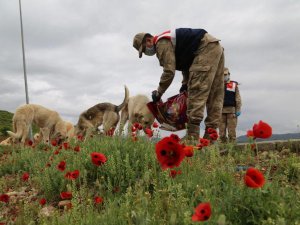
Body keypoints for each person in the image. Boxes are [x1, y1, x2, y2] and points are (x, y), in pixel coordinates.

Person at [133, 28, 224, 141]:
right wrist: (185, 83)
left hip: (204, 48)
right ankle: (211, 136)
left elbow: (169, 71)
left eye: (144, 49)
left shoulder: (161, 43)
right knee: (215, 92)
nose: (146, 53)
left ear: (148, 41)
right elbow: (188, 62)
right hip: (214, 46)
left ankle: (192, 137)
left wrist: (159, 92)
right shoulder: (168, 40)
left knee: (197, 90)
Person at [219, 67, 242, 143]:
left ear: (228, 74)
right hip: (220, 111)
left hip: (231, 111)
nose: (224, 76)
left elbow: (238, 98)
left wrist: (238, 109)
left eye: (225, 74)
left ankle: (232, 148)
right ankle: (222, 149)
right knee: (221, 133)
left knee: (232, 132)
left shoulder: (233, 85)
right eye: (222, 75)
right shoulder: (218, 85)